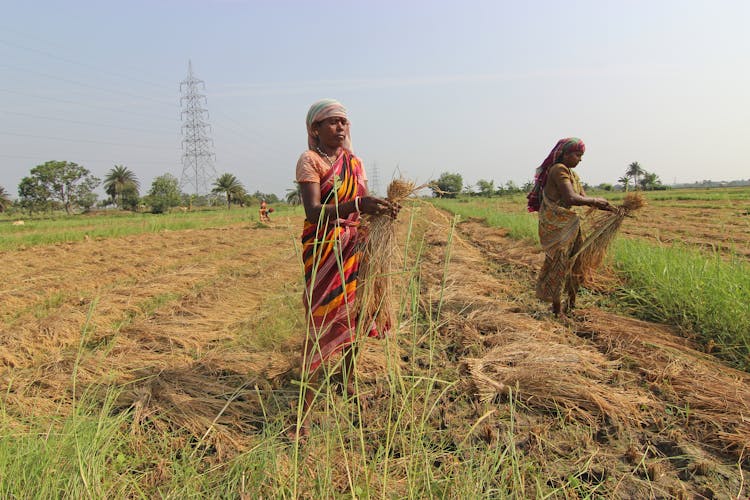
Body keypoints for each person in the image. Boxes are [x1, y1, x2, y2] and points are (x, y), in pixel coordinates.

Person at [292, 98, 400, 440]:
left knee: (359, 312)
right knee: (324, 321)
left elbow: (363, 206)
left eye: (344, 122)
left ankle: (347, 378)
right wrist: (357, 204)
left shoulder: (354, 162)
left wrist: (381, 210)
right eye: (332, 122)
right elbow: (312, 212)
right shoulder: (310, 161)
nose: (341, 127)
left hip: (357, 247)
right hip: (326, 251)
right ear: (315, 129)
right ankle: (304, 414)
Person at [527, 137, 615, 318]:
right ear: (564, 154)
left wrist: (611, 208)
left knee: (577, 261)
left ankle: (572, 304)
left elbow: (582, 197)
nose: (580, 159)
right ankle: (557, 310)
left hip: (569, 224)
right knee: (560, 264)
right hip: (556, 225)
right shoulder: (558, 169)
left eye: (581, 156)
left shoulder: (573, 175)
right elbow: (571, 198)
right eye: (577, 155)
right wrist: (595, 201)